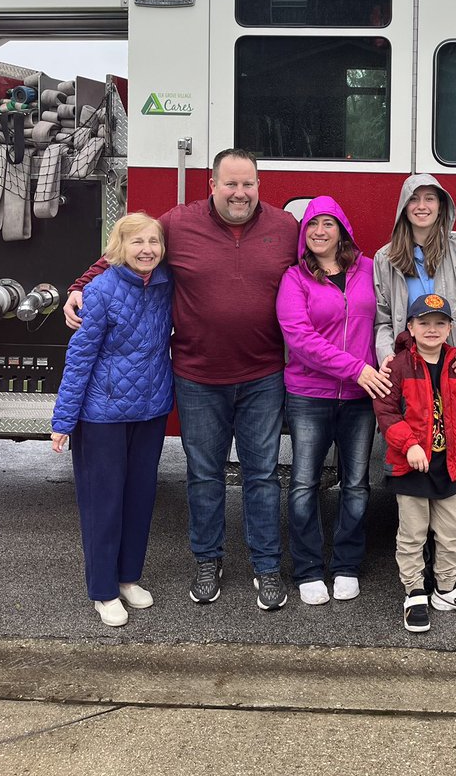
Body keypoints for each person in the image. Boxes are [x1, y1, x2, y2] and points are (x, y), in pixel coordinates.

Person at [63, 149, 299, 612]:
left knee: (263, 477)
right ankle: (208, 562)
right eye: (230, 184)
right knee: (204, 477)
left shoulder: (285, 227)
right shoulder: (178, 222)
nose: (239, 193)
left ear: (259, 186)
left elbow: (318, 267)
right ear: (211, 185)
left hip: (263, 375)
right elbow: (129, 248)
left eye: (247, 184)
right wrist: (80, 284)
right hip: (197, 377)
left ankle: (267, 567)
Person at [51, 213, 173, 627]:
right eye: (137, 242)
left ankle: (127, 578)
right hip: (102, 415)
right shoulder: (100, 291)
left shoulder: (164, 284)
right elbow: (79, 358)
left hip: (151, 410)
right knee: (103, 503)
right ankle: (103, 590)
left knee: (140, 499)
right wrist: (64, 420)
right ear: (118, 248)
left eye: (154, 242)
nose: (147, 250)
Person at [373, 174, 456, 597]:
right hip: (410, 374)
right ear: (404, 206)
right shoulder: (386, 257)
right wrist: (387, 353)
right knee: (415, 469)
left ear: (442, 205)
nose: (422, 206)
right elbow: (384, 319)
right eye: (415, 199)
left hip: (453, 368)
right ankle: (416, 578)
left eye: (430, 199)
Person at [276, 196, 391, 605]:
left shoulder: (370, 270)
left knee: (356, 484)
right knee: (305, 483)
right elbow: (301, 340)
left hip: (361, 397)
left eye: (328, 223)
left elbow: (386, 320)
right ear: (304, 235)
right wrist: (356, 368)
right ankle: (308, 569)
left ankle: (346, 564)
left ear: (342, 229)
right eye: (311, 225)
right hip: (309, 394)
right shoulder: (295, 279)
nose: (319, 231)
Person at [373, 294, 456, 632]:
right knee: (413, 534)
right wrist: (408, 445)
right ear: (410, 327)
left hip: (449, 465)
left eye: (440, 323)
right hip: (412, 467)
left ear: (451, 328)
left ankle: (446, 588)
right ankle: (414, 593)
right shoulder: (397, 366)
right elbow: (386, 411)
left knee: (452, 533)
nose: (432, 329)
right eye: (423, 322)